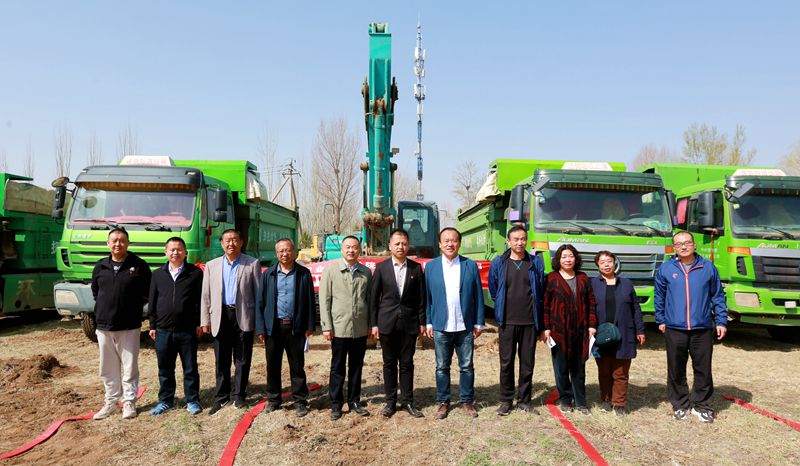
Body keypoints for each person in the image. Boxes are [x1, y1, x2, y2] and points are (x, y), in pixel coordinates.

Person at [655, 231, 727, 423]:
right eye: (679, 244)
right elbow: (659, 296)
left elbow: (718, 296)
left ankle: (702, 406)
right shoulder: (666, 268)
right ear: (674, 248)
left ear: (694, 245)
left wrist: (721, 321)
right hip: (674, 327)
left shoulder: (708, 267)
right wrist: (661, 320)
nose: (684, 246)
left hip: (701, 327)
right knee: (676, 369)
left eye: (687, 243)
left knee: (703, 369)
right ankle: (680, 404)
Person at [91, 228, 152, 420]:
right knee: (107, 367)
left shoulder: (139, 266)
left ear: (128, 243)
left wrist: (132, 308)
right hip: (104, 326)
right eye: (114, 240)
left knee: (130, 366)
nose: (118, 244)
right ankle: (111, 401)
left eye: (122, 240)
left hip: (129, 326)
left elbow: (148, 293)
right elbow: (96, 292)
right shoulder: (100, 266)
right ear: (108, 243)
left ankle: (129, 402)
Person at [200, 229, 262, 416]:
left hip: (243, 316)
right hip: (220, 316)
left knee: (242, 359)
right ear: (221, 243)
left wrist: (259, 323)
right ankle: (221, 397)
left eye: (235, 240)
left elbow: (259, 295)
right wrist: (205, 320)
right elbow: (205, 295)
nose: (231, 244)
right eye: (227, 240)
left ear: (241, 242)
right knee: (221, 359)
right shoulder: (211, 265)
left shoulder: (252, 263)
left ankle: (239, 395)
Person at [425, 227, 484, 419]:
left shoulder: (470, 265)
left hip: (464, 325)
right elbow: (427, 298)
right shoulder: (431, 267)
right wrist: (428, 322)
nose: (450, 244)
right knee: (442, 366)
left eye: (454, 240)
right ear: (440, 244)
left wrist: (479, 322)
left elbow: (478, 295)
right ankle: (443, 401)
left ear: (459, 243)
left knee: (466, 366)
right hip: (441, 325)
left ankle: (466, 401)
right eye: (446, 240)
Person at [488, 226, 545, 416]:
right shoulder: (499, 262)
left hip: (529, 321)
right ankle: (505, 400)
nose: (520, 243)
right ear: (508, 241)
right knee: (506, 363)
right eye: (516, 239)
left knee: (527, 363)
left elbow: (540, 290)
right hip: (507, 321)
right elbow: (494, 290)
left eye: (523, 239)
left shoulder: (535, 262)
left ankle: (524, 400)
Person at [369, 228, 426, 418]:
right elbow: (373, 299)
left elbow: (421, 298)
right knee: (389, 363)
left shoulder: (416, 268)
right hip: (387, 323)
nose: (401, 247)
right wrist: (374, 324)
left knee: (407, 363)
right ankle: (390, 402)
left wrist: (422, 322)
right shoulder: (381, 268)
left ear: (408, 246)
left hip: (409, 324)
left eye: (404, 243)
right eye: (397, 243)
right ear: (390, 246)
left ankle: (408, 401)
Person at [255, 238, 316, 417]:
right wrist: (260, 328)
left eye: (288, 250)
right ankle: (274, 400)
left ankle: (300, 401)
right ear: (276, 253)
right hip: (273, 327)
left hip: (296, 327)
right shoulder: (268, 274)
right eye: (281, 251)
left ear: (294, 251)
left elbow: (310, 301)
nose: (285, 254)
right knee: (272, 365)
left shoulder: (303, 273)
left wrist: (310, 325)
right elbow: (260, 302)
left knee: (297, 366)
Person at [148, 237, 204, 415]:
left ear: (185, 252)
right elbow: (152, 302)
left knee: (190, 368)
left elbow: (201, 300)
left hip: (187, 330)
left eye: (179, 249)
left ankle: (192, 400)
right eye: (172, 249)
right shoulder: (158, 274)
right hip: (163, 330)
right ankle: (166, 401)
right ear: (166, 252)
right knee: (165, 368)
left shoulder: (195, 273)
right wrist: (152, 325)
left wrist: (199, 323)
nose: (175, 253)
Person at [319, 236, 372, 420]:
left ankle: (354, 400)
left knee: (356, 366)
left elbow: (369, 300)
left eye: (354, 247)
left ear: (360, 250)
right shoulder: (331, 270)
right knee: (337, 367)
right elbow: (324, 300)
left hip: (359, 328)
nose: (351, 250)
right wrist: (327, 326)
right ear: (341, 250)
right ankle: (336, 404)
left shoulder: (366, 272)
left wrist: (370, 325)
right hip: (339, 327)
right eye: (347, 247)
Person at [542, 244, 597, 415]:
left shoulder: (583, 278)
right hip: (558, 330)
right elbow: (545, 305)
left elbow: (591, 302)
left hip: (580, 330)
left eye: (571, 256)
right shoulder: (551, 278)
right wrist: (546, 328)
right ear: (558, 259)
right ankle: (565, 399)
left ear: (576, 258)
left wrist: (592, 325)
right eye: (564, 256)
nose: (568, 259)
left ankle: (580, 401)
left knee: (579, 366)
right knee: (561, 367)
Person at [590, 251, 645, 416]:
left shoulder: (626, 284)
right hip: (601, 334)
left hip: (624, 333)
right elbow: (588, 309)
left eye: (609, 261)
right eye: (602, 262)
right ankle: (606, 400)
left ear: (615, 263)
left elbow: (636, 309)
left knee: (620, 371)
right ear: (597, 266)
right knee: (604, 371)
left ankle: (619, 403)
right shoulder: (592, 284)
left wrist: (640, 330)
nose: (606, 264)